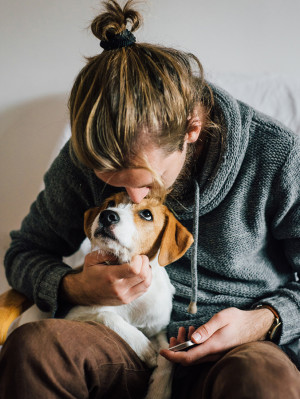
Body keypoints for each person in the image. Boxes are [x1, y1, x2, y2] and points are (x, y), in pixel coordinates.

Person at [0, 0, 299, 398]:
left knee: (264, 383)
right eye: (111, 183)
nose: (129, 198)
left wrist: (266, 319)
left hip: (238, 349)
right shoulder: (85, 156)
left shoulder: (275, 156)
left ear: (192, 127)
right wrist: (76, 289)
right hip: (121, 340)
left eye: (141, 182)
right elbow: (25, 252)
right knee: (35, 349)